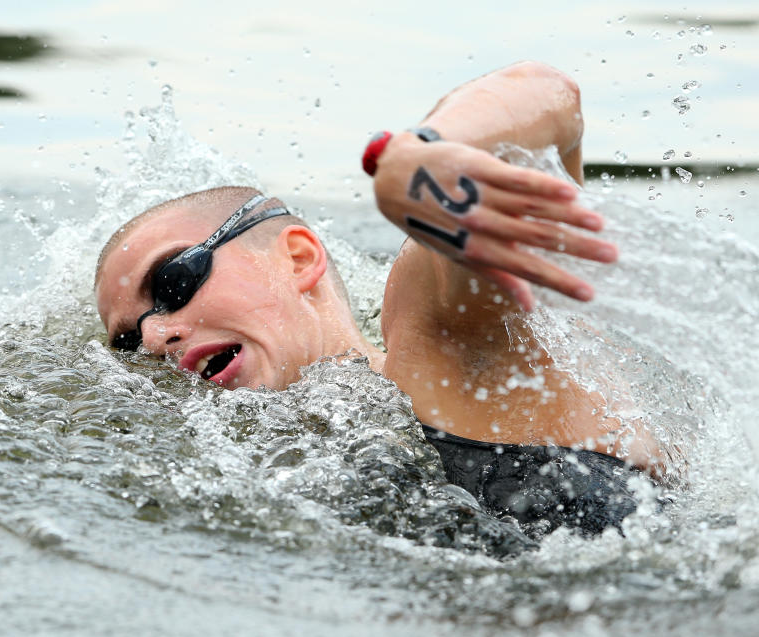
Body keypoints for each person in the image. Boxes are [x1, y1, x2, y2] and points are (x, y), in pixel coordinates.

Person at [94, 62, 665, 536]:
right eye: (128, 340)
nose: (152, 336)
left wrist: (421, 156)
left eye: (172, 282)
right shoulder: (280, 471)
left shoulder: (439, 338)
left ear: (298, 257)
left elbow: (552, 96)